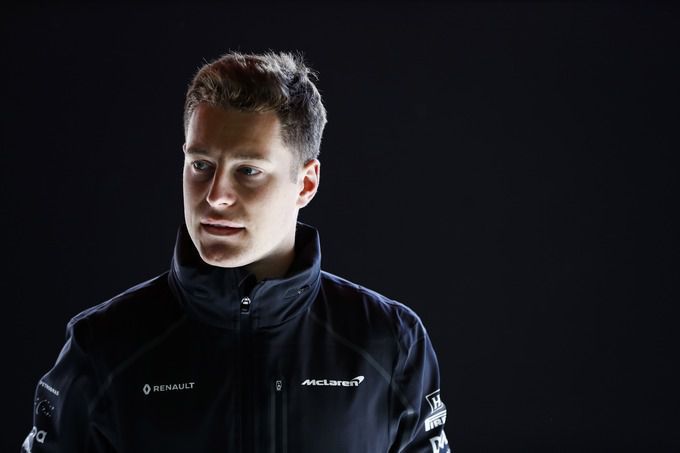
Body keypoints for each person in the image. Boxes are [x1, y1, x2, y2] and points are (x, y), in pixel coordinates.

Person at [21, 51, 450, 453]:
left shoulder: (390, 341)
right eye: (201, 165)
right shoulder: (101, 345)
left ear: (306, 183)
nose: (216, 195)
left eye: (248, 170)